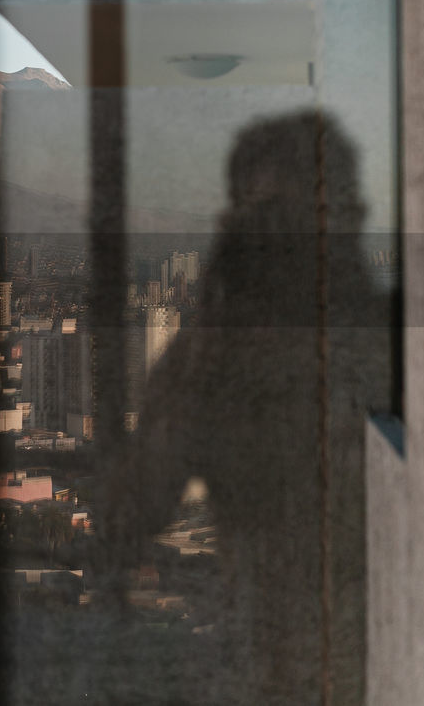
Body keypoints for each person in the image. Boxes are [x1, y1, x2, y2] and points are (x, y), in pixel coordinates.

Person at [98, 109, 393, 704]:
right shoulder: (219, 357)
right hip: (283, 657)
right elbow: (131, 514)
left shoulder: (399, 343)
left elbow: (127, 518)